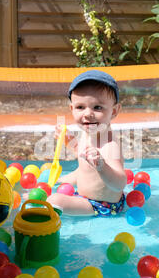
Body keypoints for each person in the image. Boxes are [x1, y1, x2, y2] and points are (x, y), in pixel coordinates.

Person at [47, 70, 127, 216]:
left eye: (97, 107)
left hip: (101, 205)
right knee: (61, 179)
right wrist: (69, 141)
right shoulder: (88, 132)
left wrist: (101, 166)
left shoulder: (109, 145)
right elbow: (81, 152)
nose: (88, 114)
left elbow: (120, 184)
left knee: (55, 199)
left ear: (114, 111)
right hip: (84, 193)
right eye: (80, 107)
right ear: (72, 109)